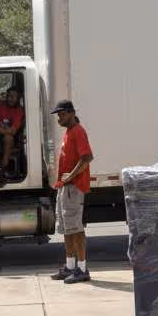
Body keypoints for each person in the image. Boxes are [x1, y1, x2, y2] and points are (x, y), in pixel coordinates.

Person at [50, 100, 94, 284]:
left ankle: (82, 269)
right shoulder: (69, 132)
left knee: (76, 229)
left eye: (61, 114)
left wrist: (71, 176)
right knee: (68, 229)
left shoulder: (78, 131)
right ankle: (69, 266)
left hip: (74, 188)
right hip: (65, 187)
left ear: (70, 113)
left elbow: (87, 157)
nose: (59, 118)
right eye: (58, 115)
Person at [0, 86, 25, 173]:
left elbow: (12, 131)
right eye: (9, 96)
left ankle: (4, 165)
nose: (11, 99)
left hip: (10, 138)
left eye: (14, 97)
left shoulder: (19, 110)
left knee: (8, 138)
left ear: (18, 98)